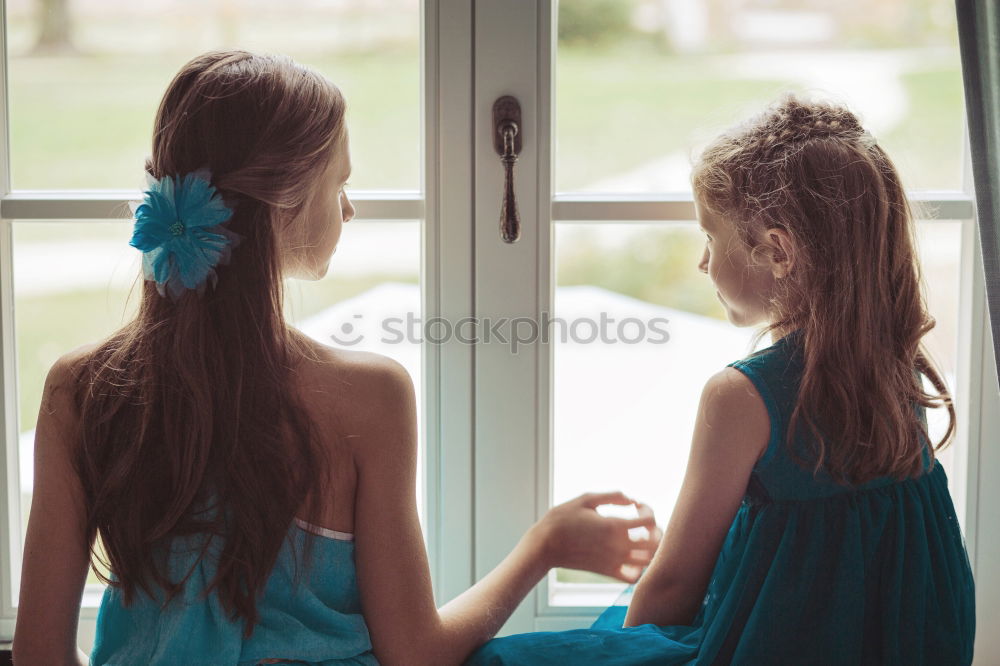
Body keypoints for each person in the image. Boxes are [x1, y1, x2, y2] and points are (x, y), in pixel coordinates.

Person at [11, 49, 661, 666]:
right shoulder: (368, 397)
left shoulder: (82, 389)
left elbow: (40, 654)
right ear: (284, 200)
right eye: (340, 182)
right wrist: (541, 548)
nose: (348, 208)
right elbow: (416, 653)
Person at [466, 93, 977, 665]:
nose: (703, 263)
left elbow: (673, 585)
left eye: (710, 238)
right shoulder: (898, 364)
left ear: (778, 251)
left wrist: (622, 652)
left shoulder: (742, 395)